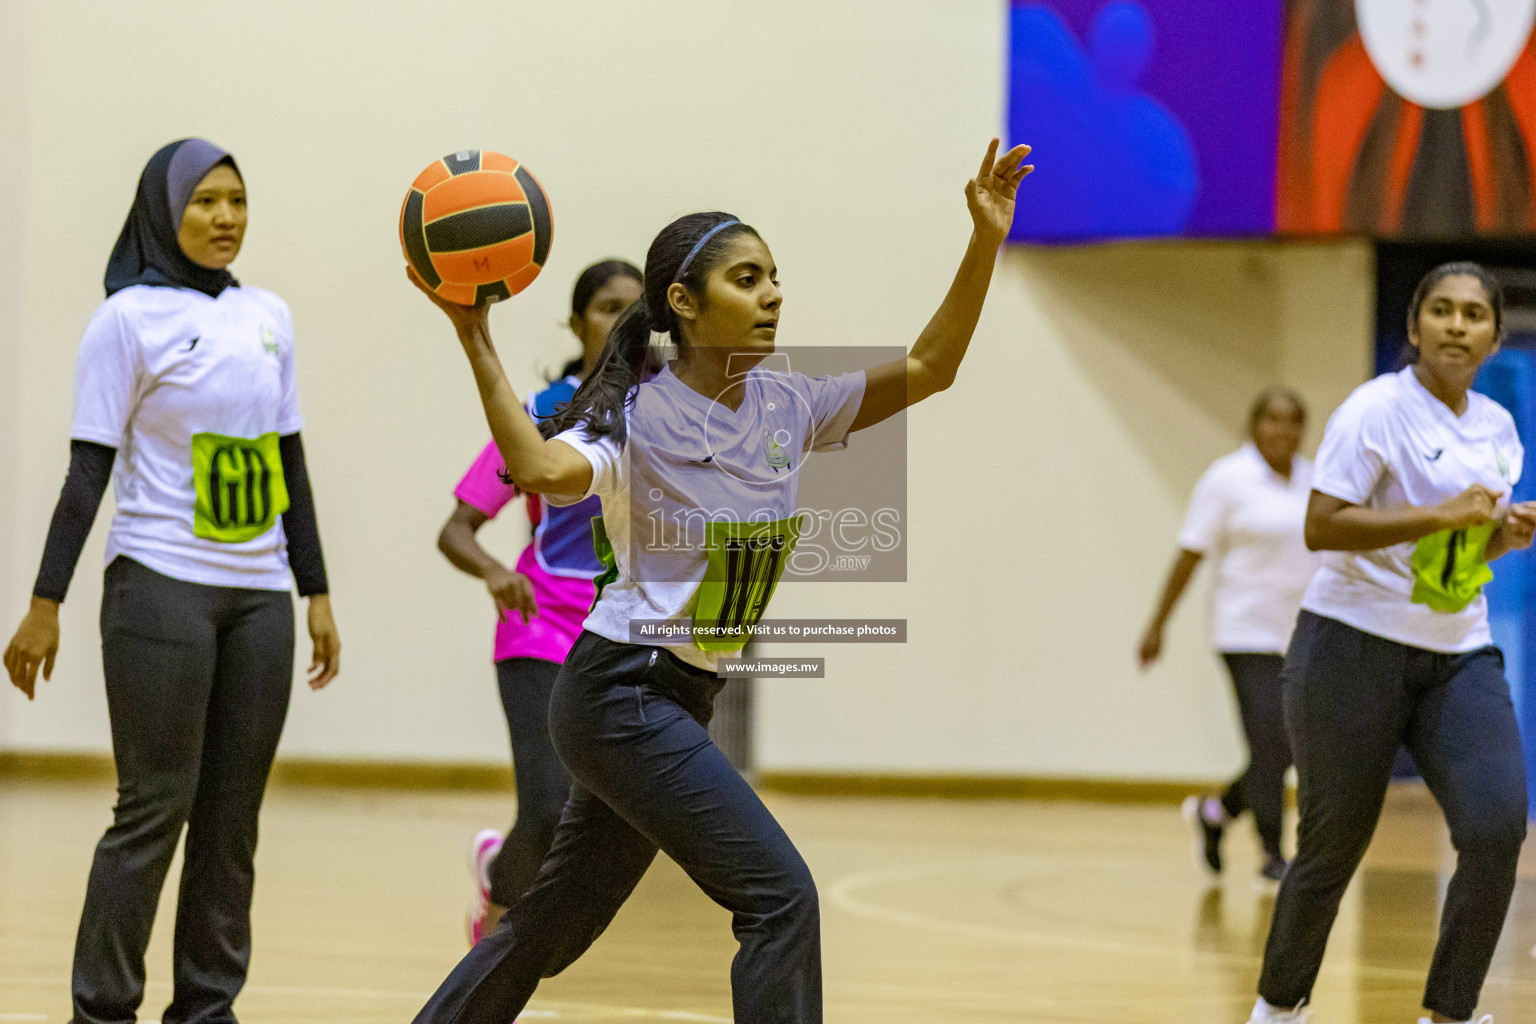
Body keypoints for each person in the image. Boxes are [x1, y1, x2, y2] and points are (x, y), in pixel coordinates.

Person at [404, 138, 1032, 1024]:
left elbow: (932, 368)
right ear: (684, 304)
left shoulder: (789, 403)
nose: (772, 292)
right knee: (781, 897)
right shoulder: (637, 416)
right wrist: (476, 338)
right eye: (746, 278)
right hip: (622, 693)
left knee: (553, 927)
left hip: (677, 696)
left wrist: (985, 241)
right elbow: (540, 470)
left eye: (774, 275)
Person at [1, 138, 341, 1024]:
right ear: (164, 209)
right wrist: (46, 603)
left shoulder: (271, 314)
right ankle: (102, 1008)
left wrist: (315, 590)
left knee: (233, 825)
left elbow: (288, 459)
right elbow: (87, 474)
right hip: (160, 585)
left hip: (259, 595)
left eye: (237, 200)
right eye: (205, 201)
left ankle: (206, 1008)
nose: (226, 217)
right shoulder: (127, 319)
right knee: (154, 809)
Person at [1246, 262, 1532, 1024]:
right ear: (1414, 328)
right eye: (1440, 310)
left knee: (1498, 824)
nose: (1456, 325)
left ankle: (1450, 1012)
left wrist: (1499, 537)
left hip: (1457, 648)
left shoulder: (1499, 430)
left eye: (1473, 315)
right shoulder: (1374, 411)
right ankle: (1279, 1008)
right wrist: (1439, 515)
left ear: (1494, 337)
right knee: (1332, 848)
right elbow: (1322, 525)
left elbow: (1454, 556)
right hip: (1351, 644)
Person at [438, 259, 642, 942]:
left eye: (636, 309)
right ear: (578, 321)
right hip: (540, 630)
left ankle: (501, 875)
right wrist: (496, 572)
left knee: (591, 818)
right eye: (609, 307)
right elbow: (457, 530)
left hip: (618, 635)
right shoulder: (543, 412)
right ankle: (499, 924)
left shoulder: (671, 414)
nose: (623, 321)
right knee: (551, 805)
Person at [1138, 388, 1320, 887]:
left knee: (1284, 747)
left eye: (1292, 421)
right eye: (1272, 420)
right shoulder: (1227, 479)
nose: (1282, 430)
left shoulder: (1314, 480)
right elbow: (1190, 553)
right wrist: (1158, 625)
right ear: (1254, 424)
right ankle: (1272, 854)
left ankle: (1214, 812)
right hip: (1245, 630)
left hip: (1301, 634)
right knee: (1271, 740)